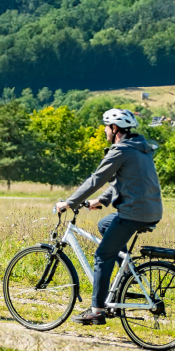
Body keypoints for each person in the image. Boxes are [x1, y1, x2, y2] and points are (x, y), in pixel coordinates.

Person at [55, 108, 163, 325]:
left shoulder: (121, 150)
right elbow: (123, 181)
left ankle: (97, 310)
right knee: (105, 224)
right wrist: (102, 201)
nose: (104, 130)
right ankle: (124, 275)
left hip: (134, 213)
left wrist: (69, 203)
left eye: (106, 126)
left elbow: (96, 179)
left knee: (102, 256)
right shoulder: (140, 149)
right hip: (150, 210)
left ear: (115, 129)